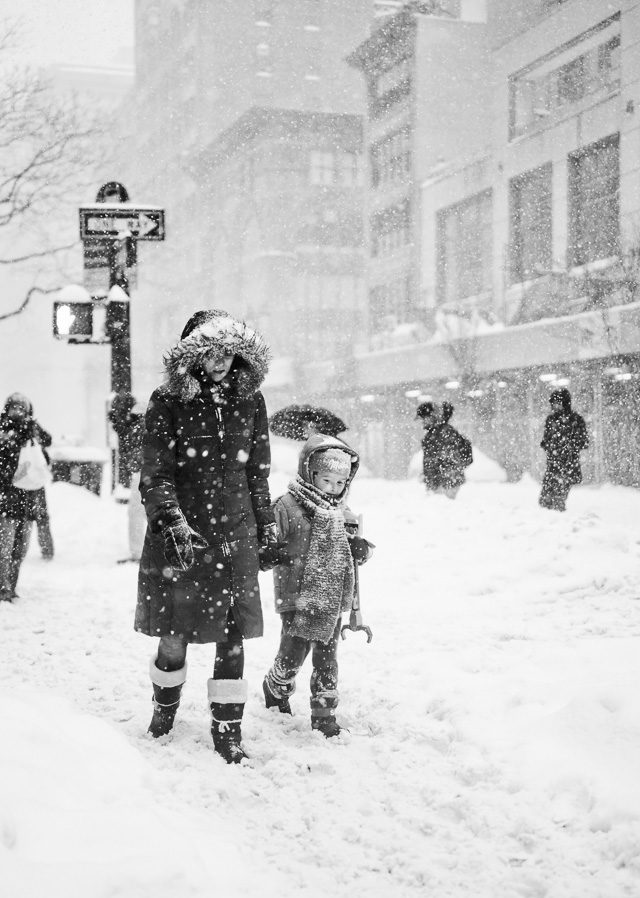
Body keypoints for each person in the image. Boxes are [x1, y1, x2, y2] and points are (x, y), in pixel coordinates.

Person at [135, 309, 279, 764]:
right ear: (193, 355)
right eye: (210, 353)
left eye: (228, 353)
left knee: (232, 634)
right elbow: (154, 472)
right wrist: (169, 519)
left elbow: (257, 474)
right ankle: (163, 713)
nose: (220, 362)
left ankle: (227, 729)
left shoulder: (251, 400)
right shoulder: (167, 401)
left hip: (236, 534)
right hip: (182, 534)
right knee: (173, 632)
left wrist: (267, 525)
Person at [263, 433, 374, 738]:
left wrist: (361, 548)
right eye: (327, 480)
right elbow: (266, 543)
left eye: (340, 483)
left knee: (327, 657)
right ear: (309, 475)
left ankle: (324, 713)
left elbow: (354, 550)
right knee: (293, 653)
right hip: (296, 596)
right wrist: (270, 550)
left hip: (330, 596)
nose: (334, 488)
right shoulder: (285, 506)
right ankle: (277, 684)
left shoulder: (343, 514)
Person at [0, 393, 49, 599]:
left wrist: (31, 429)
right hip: (6, 501)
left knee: (20, 549)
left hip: (28, 500)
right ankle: (3, 588)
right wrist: (15, 435)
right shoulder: (3, 430)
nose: (17, 413)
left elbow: (47, 444)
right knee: (5, 548)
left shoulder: (31, 431)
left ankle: (11, 587)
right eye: (14, 409)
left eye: (22, 410)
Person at [539, 388, 589, 512]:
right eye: (553, 403)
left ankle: (559, 521)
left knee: (557, 498)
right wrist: (548, 445)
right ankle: (552, 520)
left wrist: (566, 446)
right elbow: (547, 439)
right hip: (553, 465)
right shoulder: (551, 420)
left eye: (558, 403)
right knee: (545, 499)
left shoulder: (576, 420)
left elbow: (583, 442)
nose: (555, 406)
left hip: (568, 465)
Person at [417, 401, 473, 499]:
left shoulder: (443, 433)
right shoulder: (436, 432)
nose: (423, 422)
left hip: (446, 483)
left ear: (431, 416)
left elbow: (447, 459)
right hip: (443, 481)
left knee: (443, 509)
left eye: (424, 418)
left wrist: (437, 479)